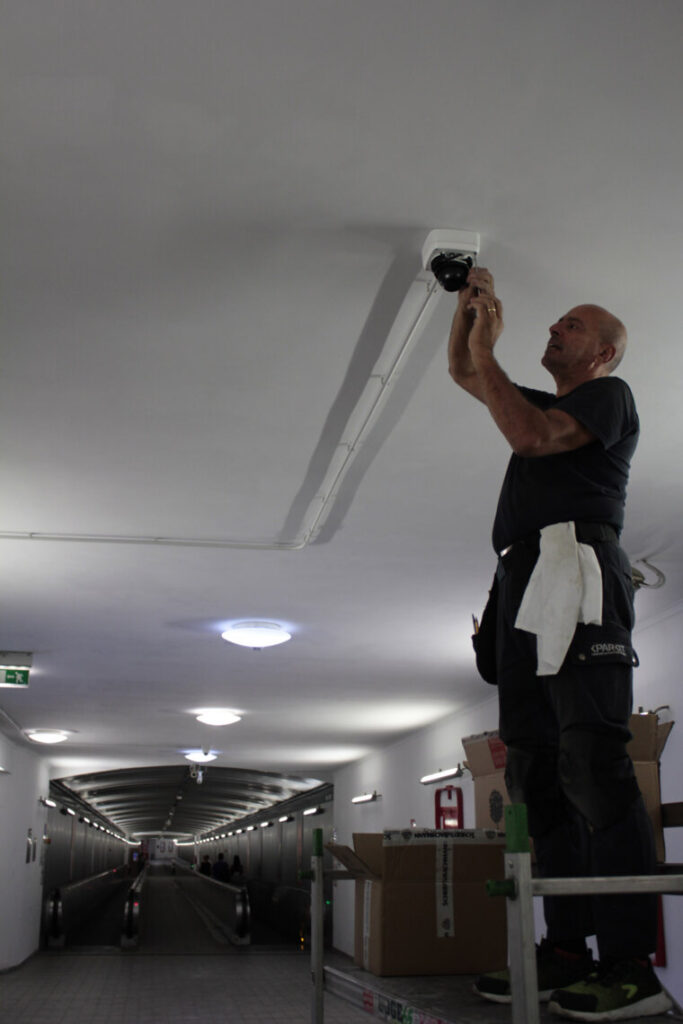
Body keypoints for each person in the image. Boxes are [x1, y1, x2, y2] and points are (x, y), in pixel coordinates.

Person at [448, 267, 671, 1022]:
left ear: (602, 352)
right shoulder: (540, 401)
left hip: (576, 566)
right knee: (535, 771)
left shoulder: (609, 396)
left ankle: (631, 968)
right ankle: (568, 950)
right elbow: (464, 373)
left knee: (593, 763)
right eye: (556, 322)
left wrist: (489, 345)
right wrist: (468, 315)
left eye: (571, 325)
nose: (554, 328)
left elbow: (529, 435)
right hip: (521, 574)